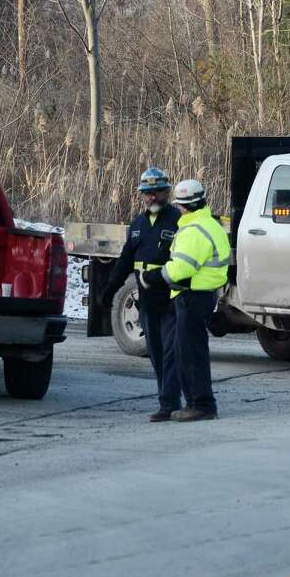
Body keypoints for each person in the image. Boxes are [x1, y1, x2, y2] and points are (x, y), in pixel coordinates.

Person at [142, 179, 230, 422]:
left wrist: (153, 276)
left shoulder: (193, 230)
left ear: (182, 205)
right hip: (202, 295)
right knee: (192, 352)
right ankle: (198, 403)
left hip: (191, 296)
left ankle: (199, 404)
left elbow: (181, 268)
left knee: (189, 354)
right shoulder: (210, 224)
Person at [101, 167, 182, 422]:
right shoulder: (137, 224)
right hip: (146, 303)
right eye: (147, 193)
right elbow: (125, 260)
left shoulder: (178, 221)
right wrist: (110, 290)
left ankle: (169, 404)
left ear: (166, 193)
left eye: (157, 192)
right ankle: (167, 399)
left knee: (171, 353)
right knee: (157, 354)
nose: (152, 197)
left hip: (171, 300)